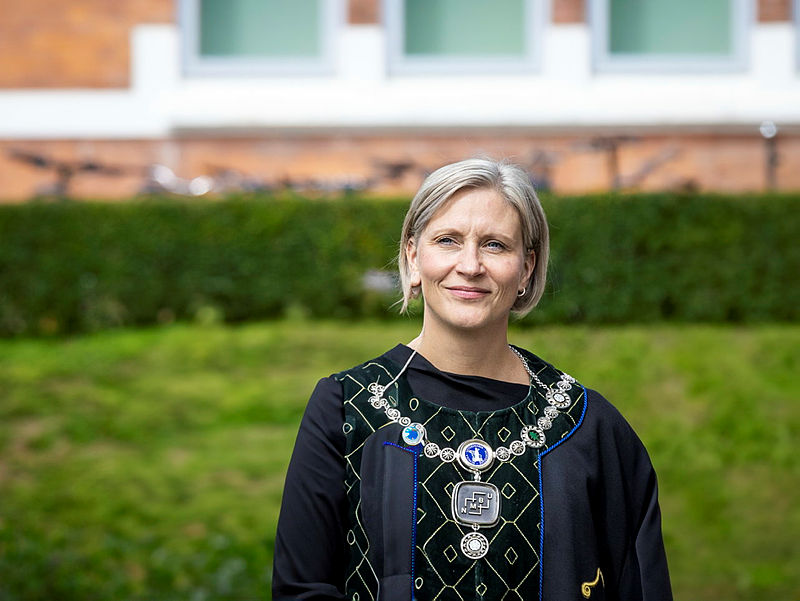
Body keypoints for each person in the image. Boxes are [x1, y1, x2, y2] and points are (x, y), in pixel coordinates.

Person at [272, 158, 672, 601]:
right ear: (413, 255)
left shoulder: (585, 424)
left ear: (526, 268)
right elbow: (301, 590)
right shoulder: (347, 407)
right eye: (448, 240)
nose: (470, 265)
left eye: (495, 245)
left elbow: (641, 587)